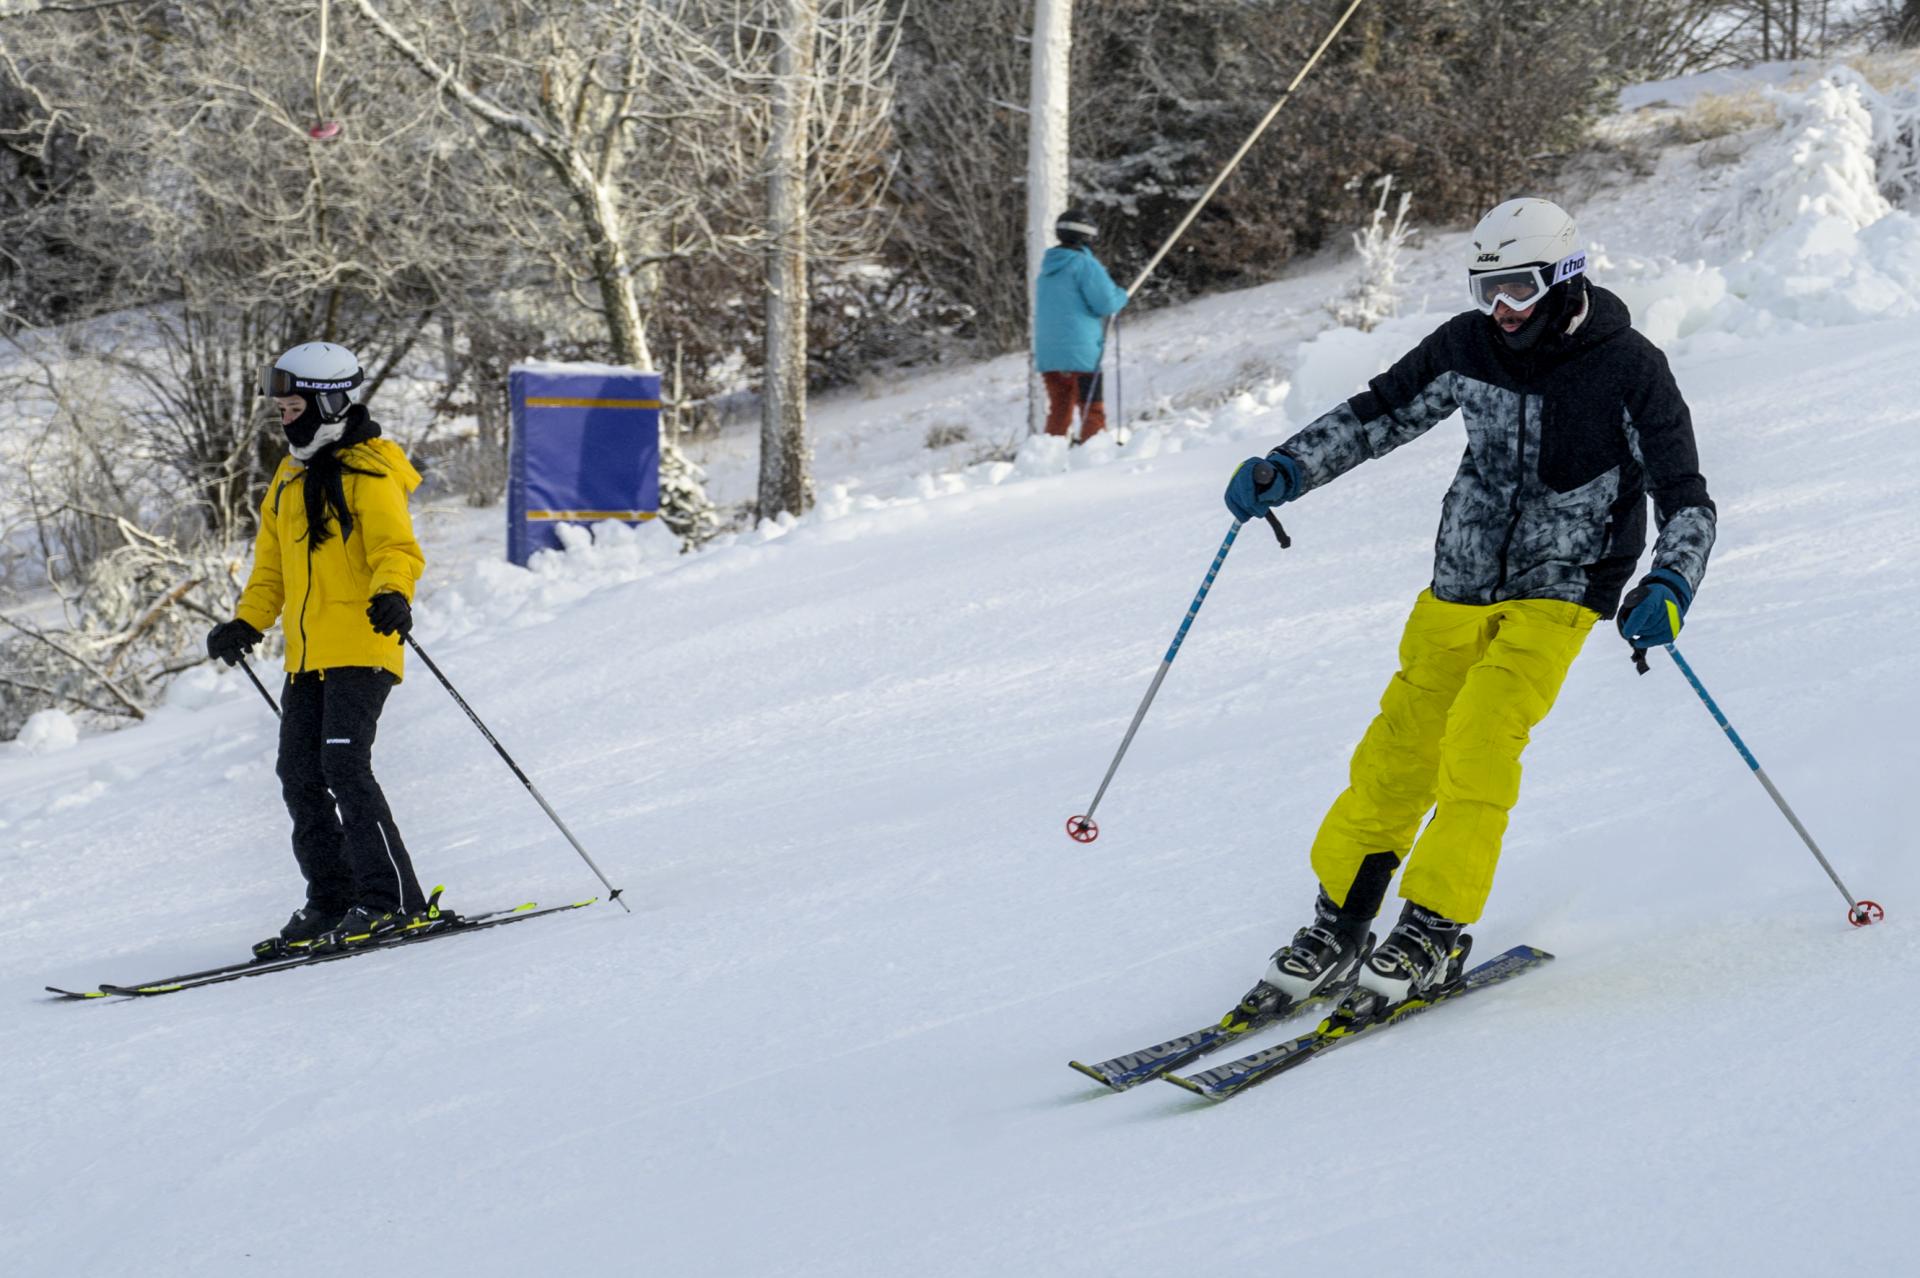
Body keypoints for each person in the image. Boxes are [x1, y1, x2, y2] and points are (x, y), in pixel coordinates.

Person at [1221, 197, 1716, 1026]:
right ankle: (1339, 924)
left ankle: (1433, 931)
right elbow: (1378, 415)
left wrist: (1671, 583)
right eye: (1488, 288)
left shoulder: (1628, 366)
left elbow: (1685, 495)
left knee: (1480, 743)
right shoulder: (1468, 344)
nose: (1502, 309)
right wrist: (1289, 469)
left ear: (1563, 278)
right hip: (1459, 581)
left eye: (1518, 287)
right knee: (1397, 751)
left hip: (1563, 588)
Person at [205, 341, 431, 957]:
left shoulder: (369, 470)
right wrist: (246, 623)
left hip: (363, 642)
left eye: (294, 403)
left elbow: (396, 550)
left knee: (343, 767)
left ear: (331, 402)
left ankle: (391, 902)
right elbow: (270, 573)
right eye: (279, 406)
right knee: (299, 775)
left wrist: (393, 594)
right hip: (307, 659)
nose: (284, 416)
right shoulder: (289, 476)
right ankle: (332, 899)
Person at [1034, 207, 1129, 442]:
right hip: (1080, 353)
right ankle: (1094, 452)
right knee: (1091, 407)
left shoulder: (1047, 268)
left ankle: (1047, 454)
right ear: (1087, 236)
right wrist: (1121, 295)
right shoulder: (1085, 264)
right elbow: (1106, 303)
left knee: (1059, 408)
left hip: (1049, 354)